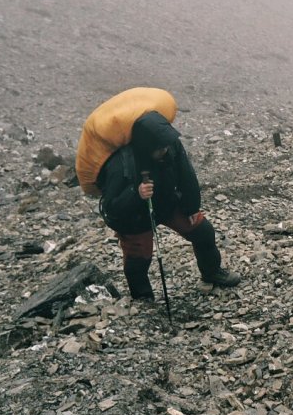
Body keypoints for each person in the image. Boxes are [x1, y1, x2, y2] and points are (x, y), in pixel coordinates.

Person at [98, 110, 241, 299]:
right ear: (146, 145)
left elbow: (186, 174)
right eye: (160, 148)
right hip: (134, 218)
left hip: (167, 203)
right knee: (138, 260)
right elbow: (111, 207)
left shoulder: (169, 143)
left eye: (166, 145)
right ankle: (143, 298)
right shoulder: (121, 163)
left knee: (203, 231)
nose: (165, 150)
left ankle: (212, 272)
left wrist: (191, 207)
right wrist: (136, 193)